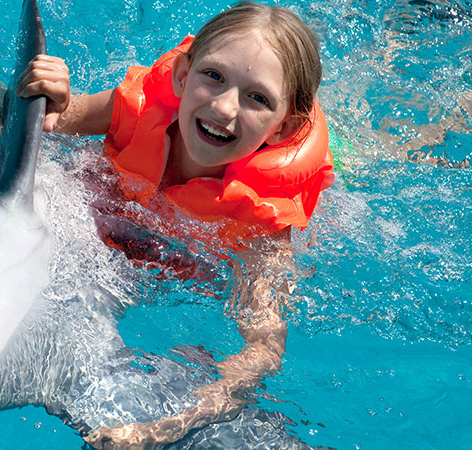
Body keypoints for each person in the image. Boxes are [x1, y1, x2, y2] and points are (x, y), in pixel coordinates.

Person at [17, 2, 334, 448]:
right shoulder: (134, 109)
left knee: (374, 152)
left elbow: (263, 350)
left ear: (283, 129)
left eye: (257, 98)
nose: (224, 107)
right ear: (183, 76)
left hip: (188, 264)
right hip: (126, 232)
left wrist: (170, 425)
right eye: (214, 76)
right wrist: (48, 95)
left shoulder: (261, 229)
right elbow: (47, 121)